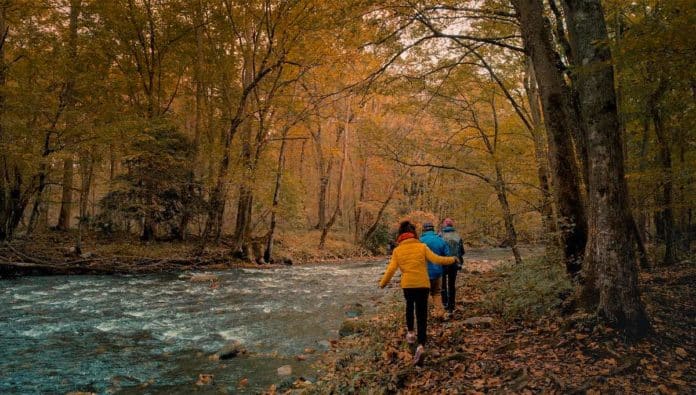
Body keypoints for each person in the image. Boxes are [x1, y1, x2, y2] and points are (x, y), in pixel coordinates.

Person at [379, 220, 459, 365]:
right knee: (422, 314)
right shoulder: (422, 247)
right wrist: (452, 259)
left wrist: (383, 283)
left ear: (401, 235)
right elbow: (437, 259)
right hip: (423, 283)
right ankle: (421, 345)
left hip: (408, 285)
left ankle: (410, 334)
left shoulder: (397, 250)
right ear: (414, 234)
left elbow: (391, 269)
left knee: (409, 307)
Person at [419, 221, 449, 319]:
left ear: (423, 230)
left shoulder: (419, 241)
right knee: (436, 293)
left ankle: (426, 316)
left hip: (423, 273)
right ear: (433, 229)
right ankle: (440, 313)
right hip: (437, 272)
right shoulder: (440, 240)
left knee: (424, 295)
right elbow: (447, 256)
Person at [440, 218, 465, 318]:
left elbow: (438, 249)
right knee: (451, 284)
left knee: (443, 285)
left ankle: (444, 304)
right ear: (452, 225)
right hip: (454, 263)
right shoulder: (458, 236)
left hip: (442, 262)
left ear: (444, 225)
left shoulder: (439, 235)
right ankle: (451, 305)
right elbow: (462, 252)